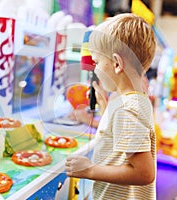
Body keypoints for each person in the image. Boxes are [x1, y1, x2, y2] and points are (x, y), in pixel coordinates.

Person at [65, 13, 157, 199]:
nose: (95, 69)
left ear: (116, 63)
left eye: (97, 62)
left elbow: (144, 173)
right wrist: (105, 109)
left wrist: (89, 170)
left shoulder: (127, 109)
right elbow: (120, 136)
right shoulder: (130, 99)